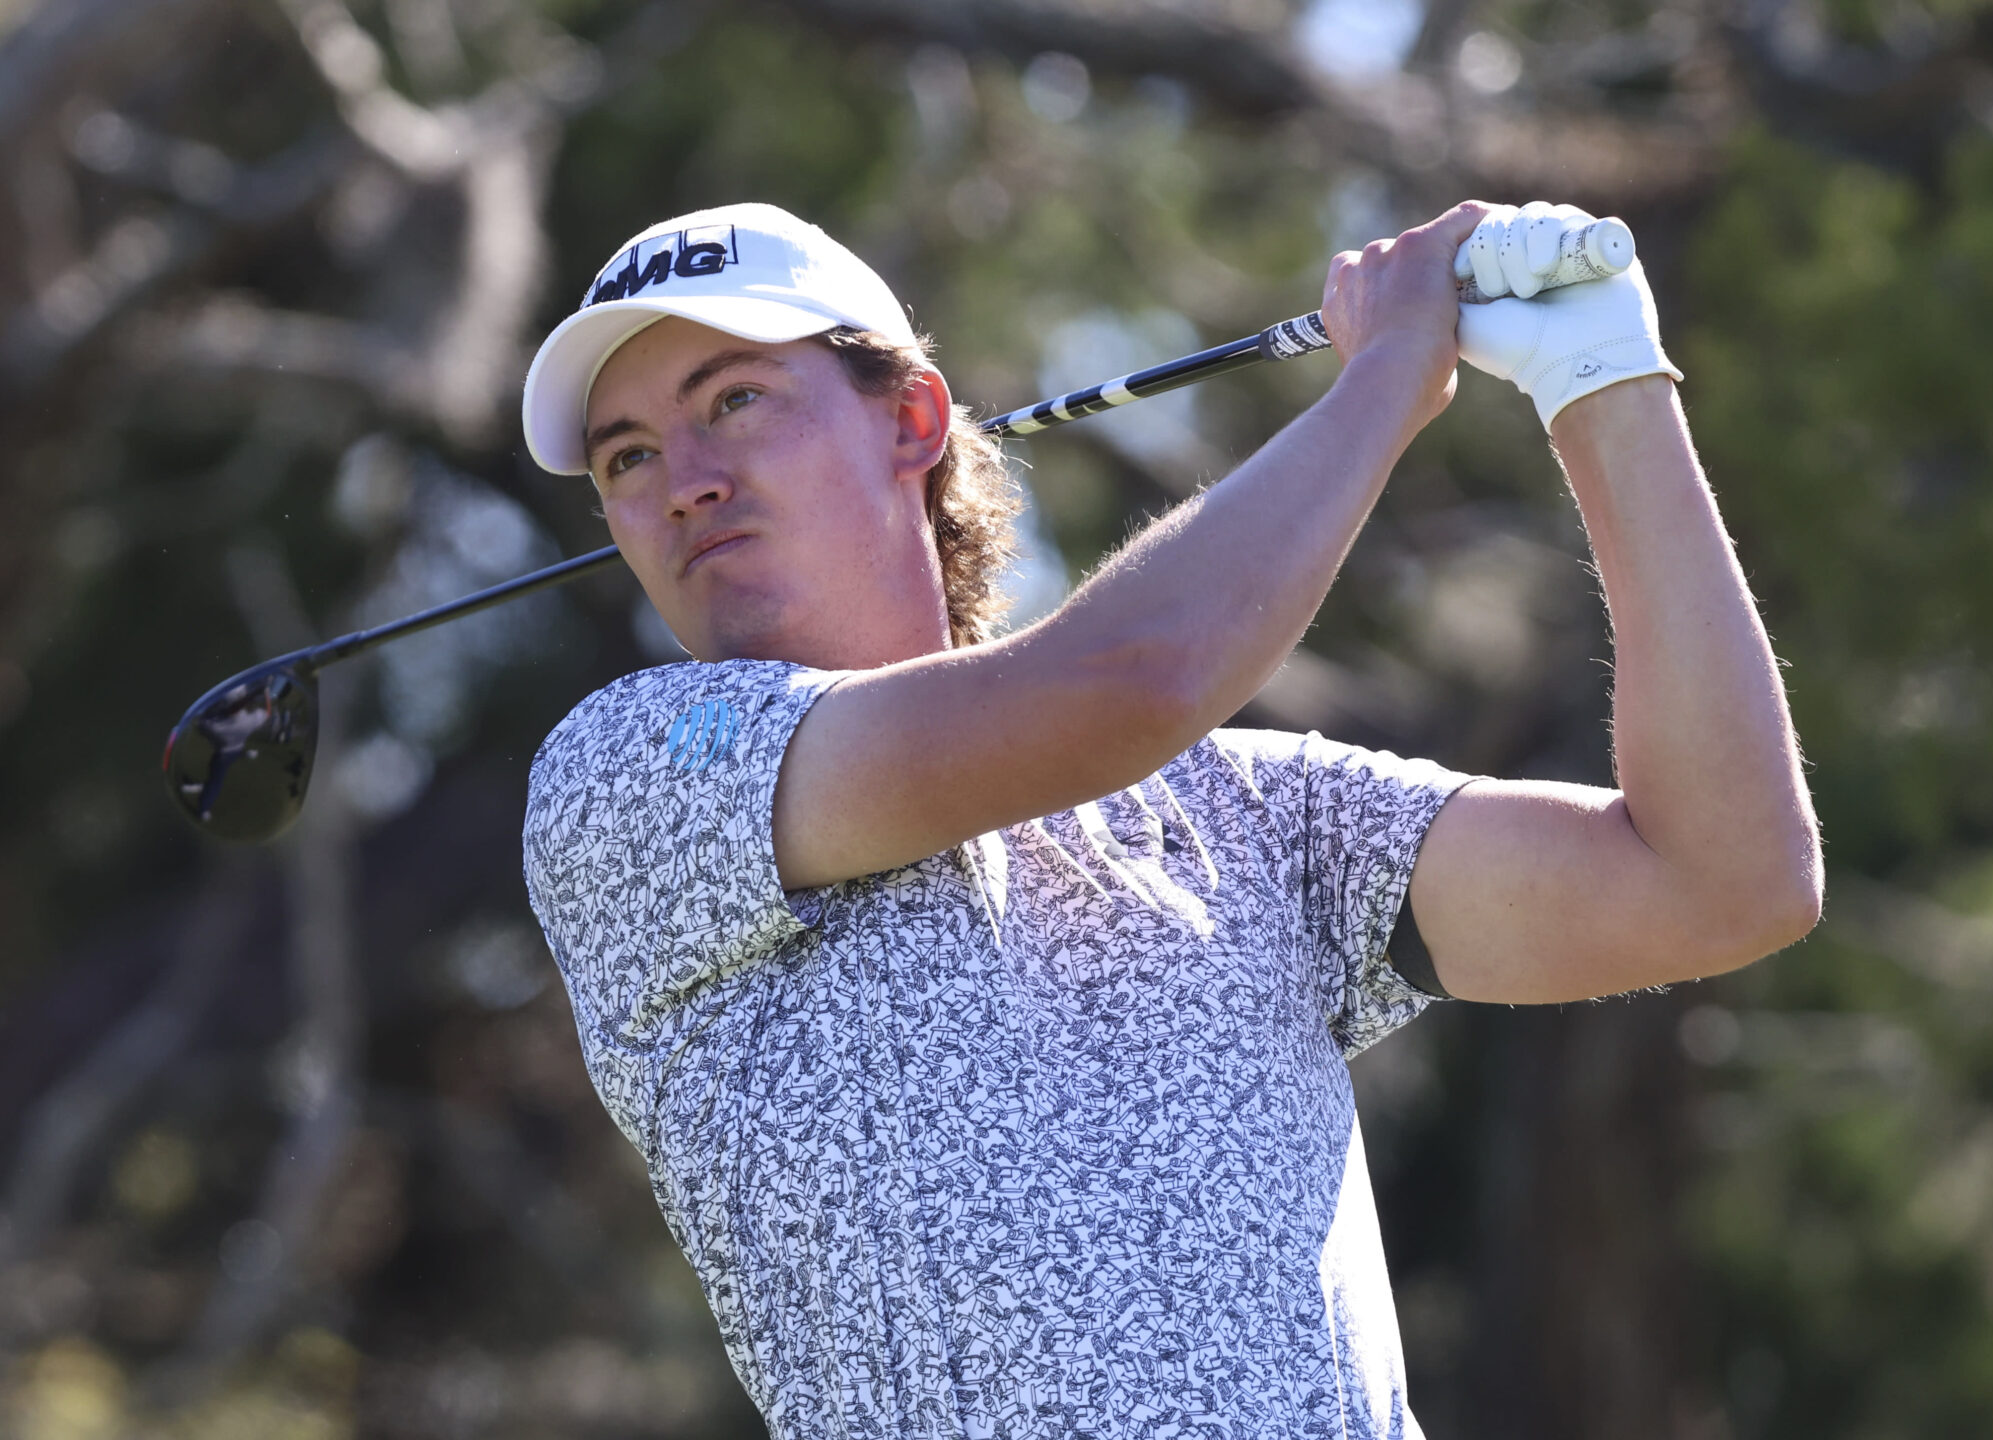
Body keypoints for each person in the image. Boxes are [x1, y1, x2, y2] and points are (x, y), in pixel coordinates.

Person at [517, 199, 1820, 1437]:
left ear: (912, 417)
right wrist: (1387, 378)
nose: (681, 481)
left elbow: (1723, 879)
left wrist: (1605, 385)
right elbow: (1129, 681)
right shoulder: (632, 778)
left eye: (733, 402)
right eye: (627, 456)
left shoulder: (1245, 809)